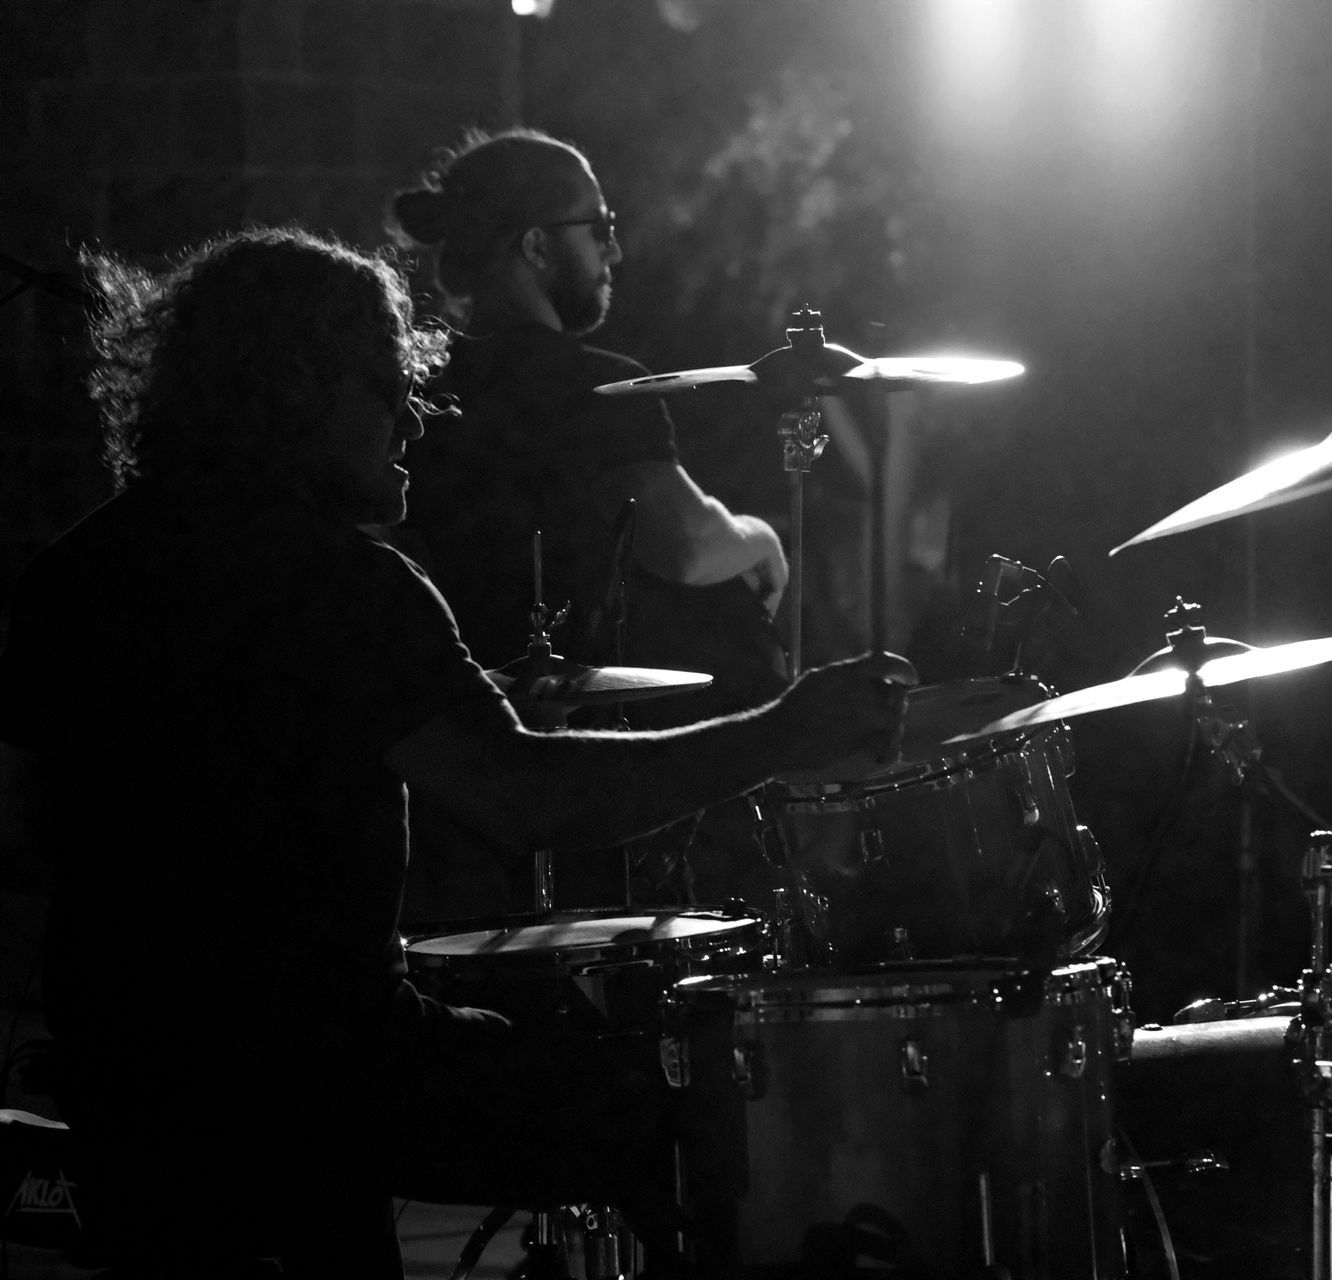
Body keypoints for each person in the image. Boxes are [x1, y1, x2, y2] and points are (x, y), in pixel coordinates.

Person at [0, 226, 905, 1279]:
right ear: (298, 391)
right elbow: (527, 800)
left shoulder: (69, 574)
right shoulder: (343, 585)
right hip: (316, 1073)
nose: (413, 418)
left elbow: (26, 827)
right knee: (686, 1109)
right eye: (389, 387)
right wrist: (781, 731)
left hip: (123, 1077)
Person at [385, 126, 789, 705]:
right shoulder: (593, 385)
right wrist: (761, 540)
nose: (613, 251)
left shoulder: (420, 385)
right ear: (536, 247)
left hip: (466, 704)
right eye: (600, 227)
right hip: (591, 718)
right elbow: (686, 545)